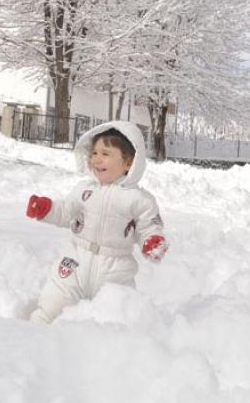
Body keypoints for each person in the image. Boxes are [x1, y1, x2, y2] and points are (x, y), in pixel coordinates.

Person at [26, 120, 168, 324]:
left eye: (106, 154)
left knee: (117, 319)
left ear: (129, 163)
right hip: (75, 263)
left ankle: (112, 348)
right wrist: (46, 209)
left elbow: (149, 225)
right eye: (94, 153)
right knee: (52, 304)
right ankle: (33, 331)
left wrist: (153, 240)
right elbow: (66, 211)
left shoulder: (139, 199)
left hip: (116, 272)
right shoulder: (85, 190)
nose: (97, 159)